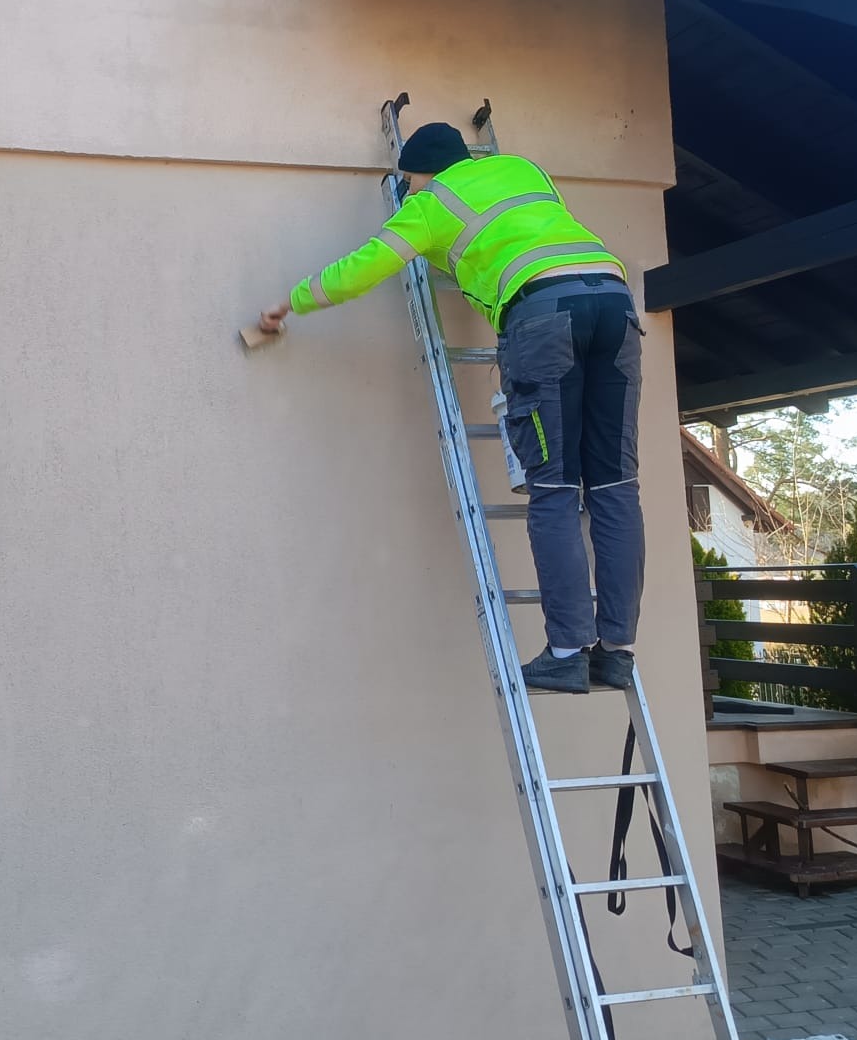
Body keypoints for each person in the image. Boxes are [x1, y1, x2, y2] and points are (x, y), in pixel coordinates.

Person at [259, 122, 645, 694]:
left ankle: (567, 652)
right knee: (615, 487)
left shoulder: (429, 203)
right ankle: (615, 652)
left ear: (421, 173)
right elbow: (520, 234)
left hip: (543, 318)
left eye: (409, 181)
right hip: (614, 305)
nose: (409, 190)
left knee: (556, 488)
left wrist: (288, 304)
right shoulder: (523, 169)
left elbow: (360, 270)